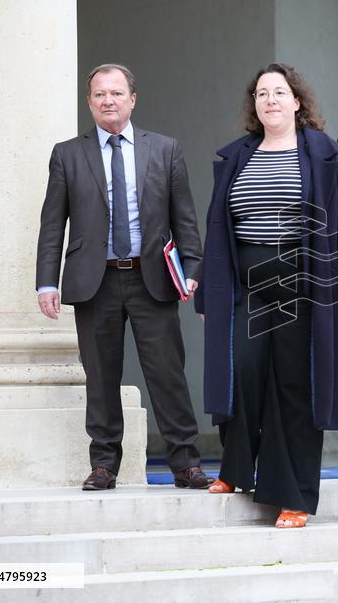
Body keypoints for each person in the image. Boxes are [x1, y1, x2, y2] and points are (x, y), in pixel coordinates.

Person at [196, 63, 338, 528]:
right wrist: (206, 298)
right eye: (262, 94)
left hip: (305, 287)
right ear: (255, 106)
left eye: (279, 92)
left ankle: (292, 494)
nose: (270, 99)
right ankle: (236, 468)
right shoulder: (237, 157)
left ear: (297, 102)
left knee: (296, 387)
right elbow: (218, 229)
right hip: (246, 286)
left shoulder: (324, 154)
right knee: (242, 373)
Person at [36, 63, 209, 491]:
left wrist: (193, 268)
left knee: (167, 372)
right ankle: (104, 465)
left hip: (153, 278)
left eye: (116, 93)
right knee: (100, 375)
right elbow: (52, 224)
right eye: (99, 95)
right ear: (89, 103)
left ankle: (185, 462)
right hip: (95, 281)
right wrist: (46, 281)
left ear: (133, 98)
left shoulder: (165, 149)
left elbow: (183, 217)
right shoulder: (67, 153)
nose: (108, 101)